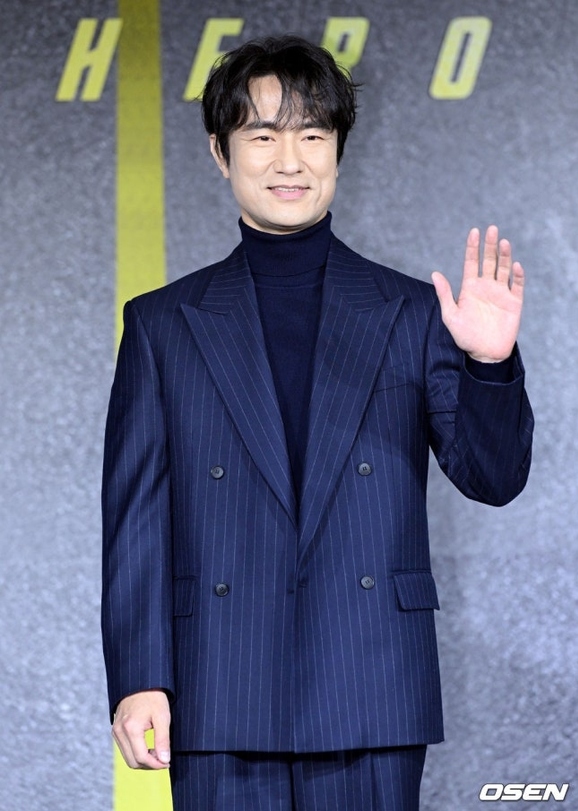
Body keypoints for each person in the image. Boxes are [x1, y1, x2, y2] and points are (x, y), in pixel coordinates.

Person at [101, 35, 533, 811]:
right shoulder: (164, 324)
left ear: (337, 149)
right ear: (220, 152)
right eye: (263, 135)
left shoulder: (410, 312)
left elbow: (492, 476)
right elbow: (137, 521)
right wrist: (139, 677)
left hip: (370, 678)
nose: (289, 160)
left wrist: (489, 362)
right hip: (218, 680)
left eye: (311, 134)